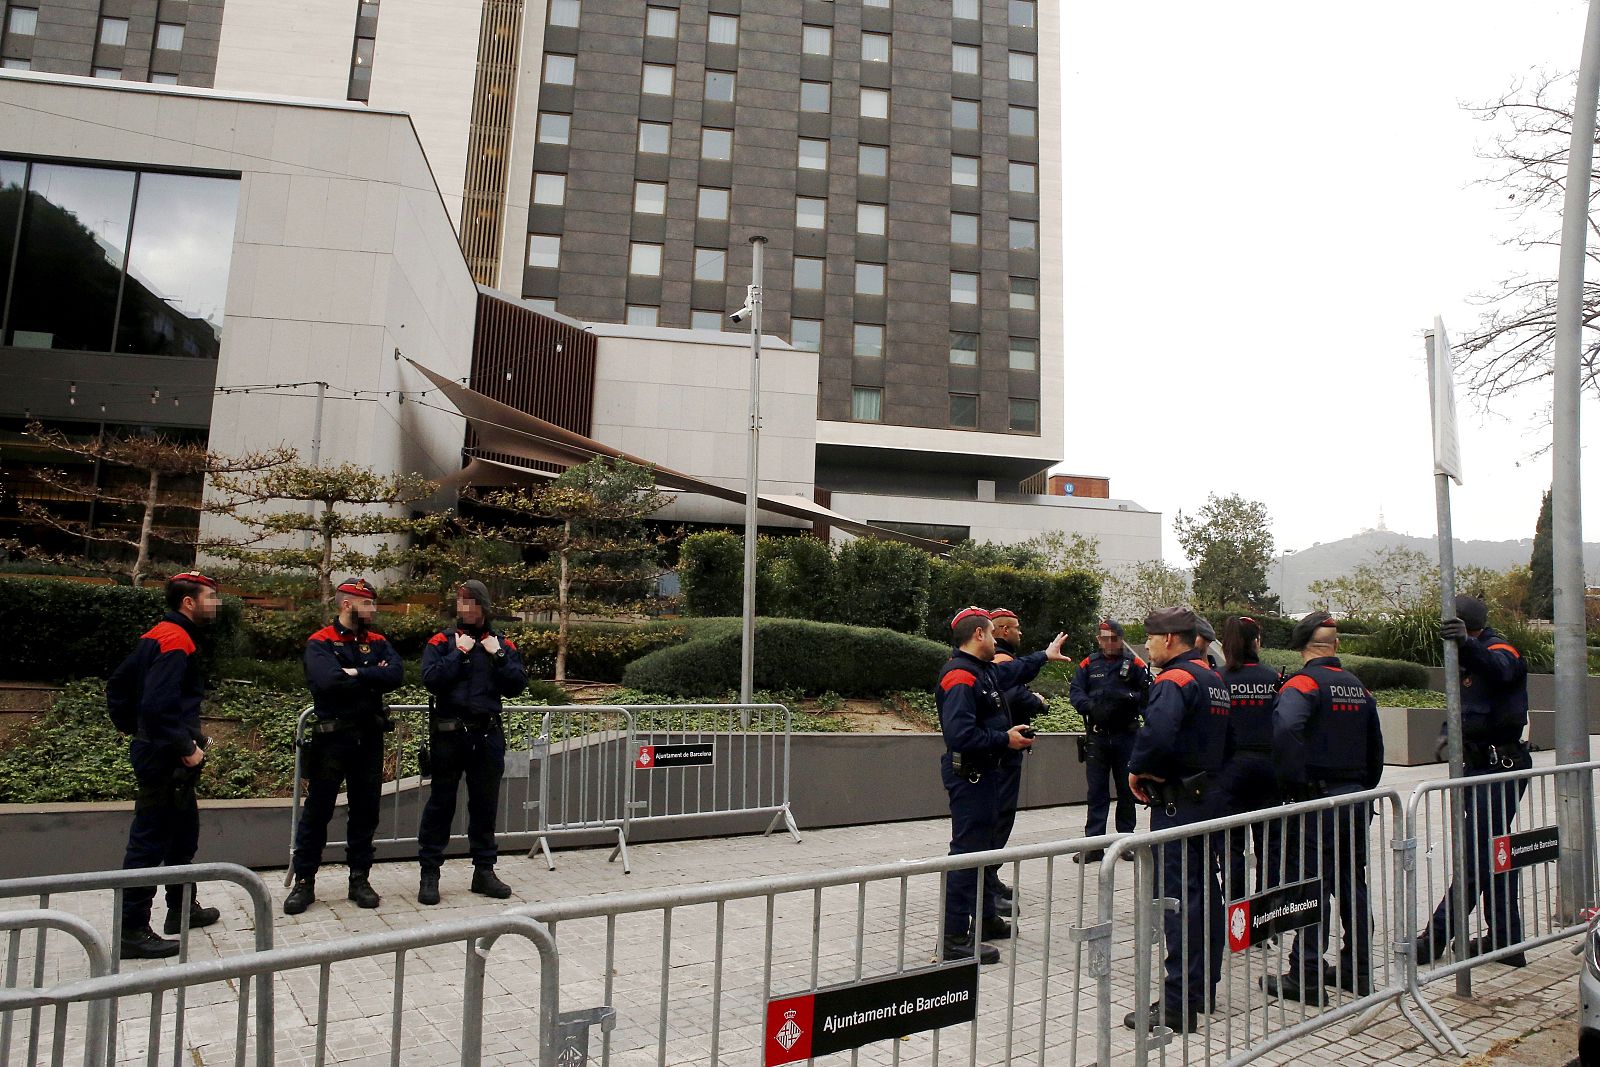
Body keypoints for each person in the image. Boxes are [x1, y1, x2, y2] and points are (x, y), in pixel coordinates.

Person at [936, 607, 1070, 964]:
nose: (996, 640)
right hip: (971, 777)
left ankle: (984, 922)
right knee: (967, 856)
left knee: (985, 853)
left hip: (986, 774)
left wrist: (1045, 656)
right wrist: (1004, 739)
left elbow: (1012, 669)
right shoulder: (960, 677)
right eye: (992, 634)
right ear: (979, 635)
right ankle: (953, 940)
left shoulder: (981, 671)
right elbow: (960, 734)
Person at [1264, 612, 1384, 1005]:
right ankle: (1358, 970)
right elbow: (1376, 748)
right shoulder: (1358, 687)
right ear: (1336, 646)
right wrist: (1364, 786)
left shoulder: (1302, 684)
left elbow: (1285, 730)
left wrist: (1293, 785)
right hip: (1355, 799)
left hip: (1316, 801)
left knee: (1312, 887)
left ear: (1300, 647)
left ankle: (1307, 976)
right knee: (1353, 884)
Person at [1122, 607, 1231, 1034]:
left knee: (1179, 901)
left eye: (1150, 637)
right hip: (1208, 798)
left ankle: (1175, 1004)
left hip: (1178, 805)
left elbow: (1157, 735)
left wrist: (1137, 767)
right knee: (1207, 895)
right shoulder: (1213, 679)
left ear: (1169, 639)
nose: (1146, 645)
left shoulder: (1174, 680)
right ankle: (1201, 989)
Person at [1415, 594, 1532, 968]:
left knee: (1477, 855)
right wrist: (1448, 734)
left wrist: (1466, 643)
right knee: (1493, 851)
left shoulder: (1501, 649)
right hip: (1479, 767)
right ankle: (1506, 938)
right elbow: (1462, 704)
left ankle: (1435, 937)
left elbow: (1501, 670)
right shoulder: (1465, 656)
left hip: (1501, 766)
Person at [111, 572, 223, 959]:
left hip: (159, 748)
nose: (216, 604)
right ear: (188, 602)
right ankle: (131, 929)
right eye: (210, 596)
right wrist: (182, 746)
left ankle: (181, 908)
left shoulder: (160, 634)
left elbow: (119, 686)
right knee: (149, 840)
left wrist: (135, 729)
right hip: (165, 755)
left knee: (182, 834)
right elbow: (157, 705)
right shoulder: (176, 639)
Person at [284, 578, 404, 915]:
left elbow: (396, 674)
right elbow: (327, 681)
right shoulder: (320, 642)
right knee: (317, 812)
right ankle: (304, 881)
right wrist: (369, 674)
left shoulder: (378, 640)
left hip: (368, 738)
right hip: (331, 739)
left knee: (366, 812)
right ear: (347, 604)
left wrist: (353, 672)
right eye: (367, 604)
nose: (373, 610)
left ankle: (359, 877)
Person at [417, 581, 528, 904]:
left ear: (482, 605)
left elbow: (517, 685)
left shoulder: (502, 643)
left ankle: (484, 871)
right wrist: (459, 653)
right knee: (441, 804)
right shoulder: (442, 641)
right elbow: (431, 679)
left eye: (468, 601)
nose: (462, 607)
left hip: (487, 733)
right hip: (449, 734)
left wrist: (500, 655)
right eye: (459, 601)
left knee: (484, 806)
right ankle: (430, 873)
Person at [1068, 618, 1150, 859]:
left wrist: (1127, 697)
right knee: (1096, 792)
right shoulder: (1088, 664)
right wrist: (1091, 707)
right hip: (1098, 737)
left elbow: (1147, 695)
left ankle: (1125, 842)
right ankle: (1094, 845)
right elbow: (1075, 693)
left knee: (1127, 790)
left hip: (1126, 735)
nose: (1110, 643)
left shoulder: (1134, 663)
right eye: (1105, 638)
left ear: (1121, 639)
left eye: (1114, 638)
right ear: (1098, 639)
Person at [1216, 616, 1281, 900]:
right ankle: (1267, 917)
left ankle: (1235, 914)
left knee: (1231, 847)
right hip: (1268, 770)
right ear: (1256, 641)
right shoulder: (1274, 678)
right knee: (1270, 846)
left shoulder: (1218, 679)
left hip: (1230, 771)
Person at [987, 608, 1046, 905]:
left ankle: (990, 879)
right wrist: (1035, 700)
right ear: (1004, 630)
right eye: (1017, 628)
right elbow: (1010, 695)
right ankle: (985, 887)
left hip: (1006, 751)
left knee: (1001, 818)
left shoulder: (999, 659)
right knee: (996, 819)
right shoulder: (1000, 658)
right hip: (1000, 754)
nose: (1021, 633)